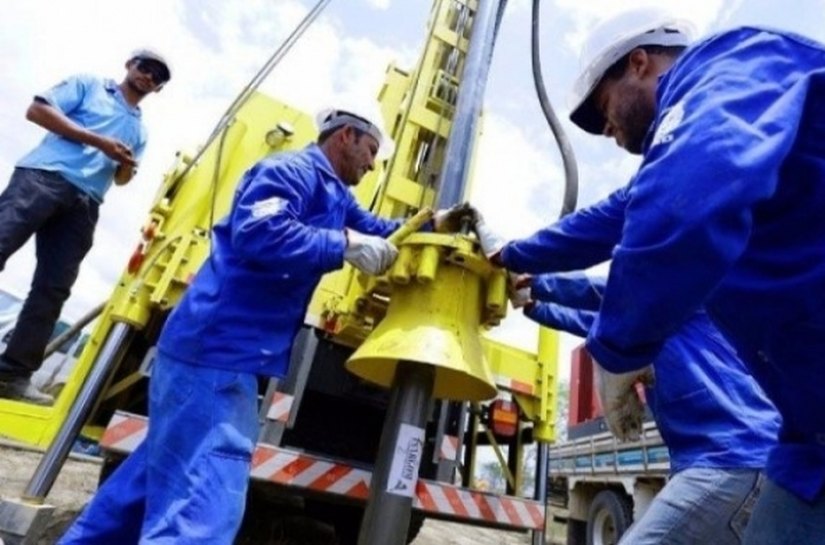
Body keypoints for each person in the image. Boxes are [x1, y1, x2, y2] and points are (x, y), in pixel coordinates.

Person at [474, 8, 825, 543]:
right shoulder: (694, 141)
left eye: (603, 110)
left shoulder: (730, 66)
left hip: (742, 452)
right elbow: (603, 223)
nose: (606, 130)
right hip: (808, 444)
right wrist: (514, 258)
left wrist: (618, 348)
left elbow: (680, 210)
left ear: (639, 63)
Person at [58, 105, 468, 544]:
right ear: (346, 135)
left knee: (142, 490)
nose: (372, 164)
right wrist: (344, 244)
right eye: (370, 150)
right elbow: (260, 233)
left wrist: (434, 222)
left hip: (220, 352)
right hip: (216, 352)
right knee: (204, 506)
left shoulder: (334, 193)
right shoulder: (289, 171)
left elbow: (379, 229)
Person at [522, 272, 778, 544]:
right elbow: (595, 323)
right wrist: (536, 308)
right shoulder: (654, 322)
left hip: (731, 458)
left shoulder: (684, 294)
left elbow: (617, 292)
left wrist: (534, 283)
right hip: (752, 461)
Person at [0, 49, 171, 404]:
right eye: (145, 67)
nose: (148, 76)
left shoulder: (139, 131)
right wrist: (98, 141)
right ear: (129, 65)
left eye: (157, 77)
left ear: (158, 89)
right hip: (44, 177)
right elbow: (37, 111)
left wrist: (125, 166)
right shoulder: (89, 85)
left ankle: (12, 375)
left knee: (53, 288)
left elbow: (121, 179)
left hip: (86, 203)